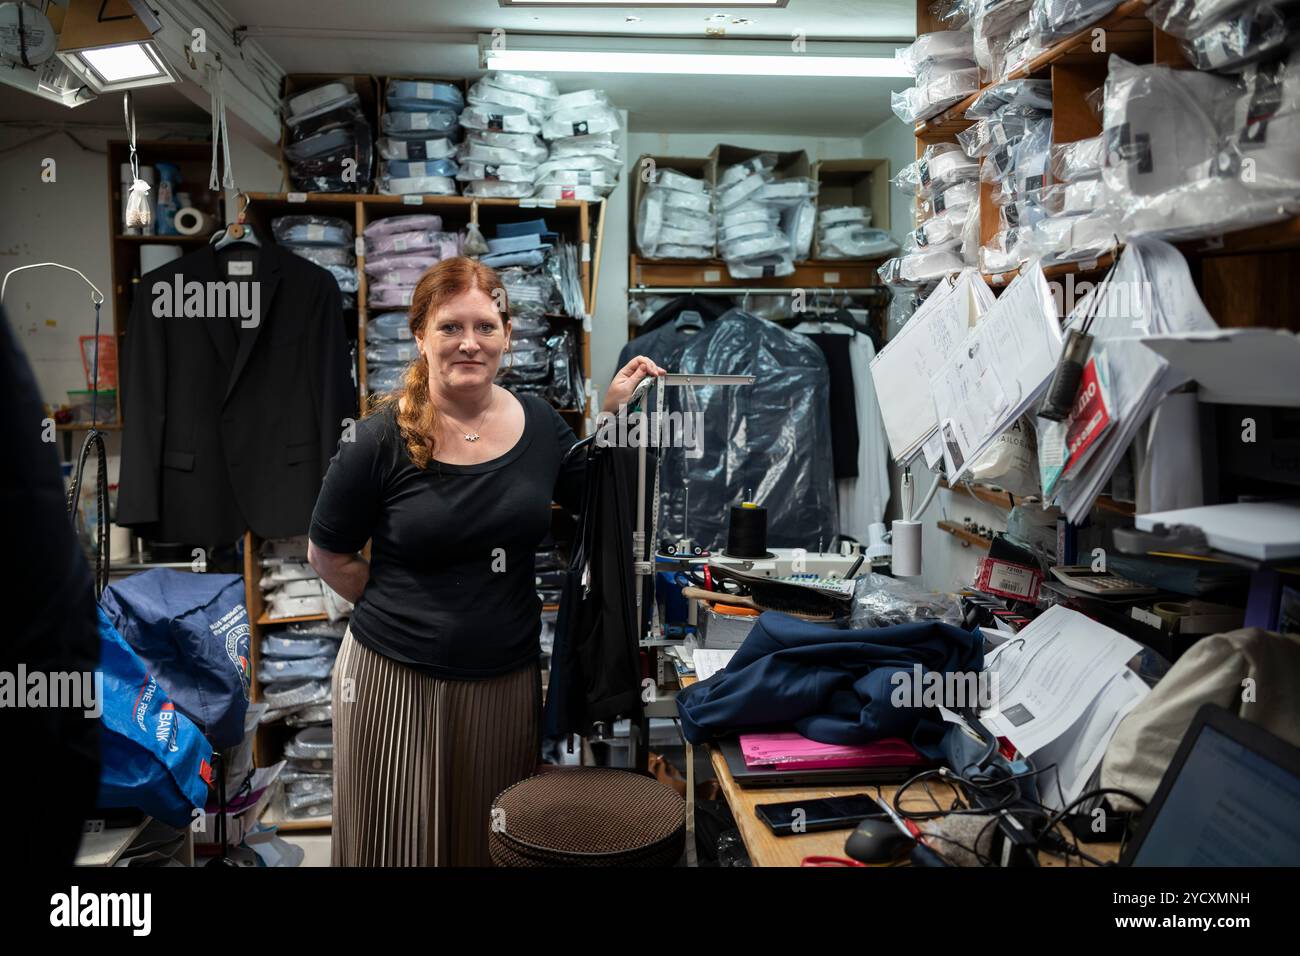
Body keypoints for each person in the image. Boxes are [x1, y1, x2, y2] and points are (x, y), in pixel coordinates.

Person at [308, 256, 663, 866]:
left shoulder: (541, 425)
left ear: (506, 335)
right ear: (420, 337)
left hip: (504, 679)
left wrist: (611, 416)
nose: (469, 342)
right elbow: (327, 554)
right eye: (450, 327)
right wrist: (404, 608)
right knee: (396, 844)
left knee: (492, 841)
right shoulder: (377, 439)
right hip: (393, 680)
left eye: (485, 327)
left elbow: (596, 502)